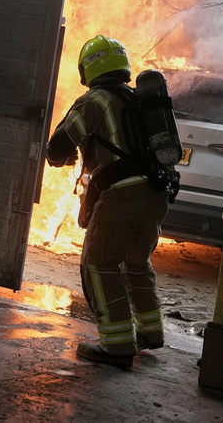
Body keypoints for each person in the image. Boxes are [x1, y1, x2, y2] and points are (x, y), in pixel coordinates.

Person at [45, 35, 170, 368]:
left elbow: (59, 144)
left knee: (99, 265)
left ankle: (117, 348)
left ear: (89, 68)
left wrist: (60, 155)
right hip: (156, 195)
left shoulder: (95, 101)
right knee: (136, 261)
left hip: (122, 196)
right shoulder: (138, 99)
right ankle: (150, 333)